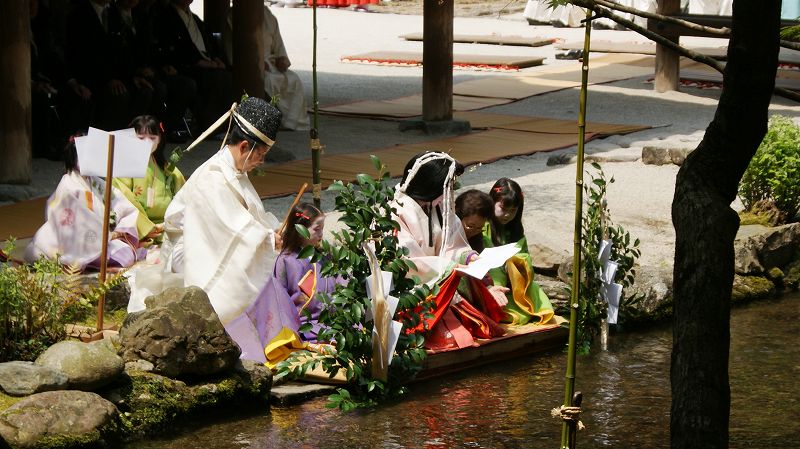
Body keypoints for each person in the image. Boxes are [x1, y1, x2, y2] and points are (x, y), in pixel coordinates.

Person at [160, 97, 282, 325]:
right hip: (190, 249)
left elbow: (248, 217)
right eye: (260, 155)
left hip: (213, 241)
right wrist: (267, 238)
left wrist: (272, 233)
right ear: (244, 147)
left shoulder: (235, 169)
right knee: (236, 275)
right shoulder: (212, 176)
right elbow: (228, 227)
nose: (261, 162)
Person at [392, 152, 508, 351]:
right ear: (431, 186)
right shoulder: (395, 212)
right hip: (411, 290)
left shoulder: (441, 208)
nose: (450, 190)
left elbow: (455, 246)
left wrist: (471, 258)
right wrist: (451, 266)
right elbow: (408, 261)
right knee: (455, 340)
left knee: (479, 330)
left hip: (439, 283)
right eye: (446, 185)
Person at [225, 203, 343, 364]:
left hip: (328, 322)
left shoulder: (325, 258)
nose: (321, 234)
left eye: (322, 228)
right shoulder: (285, 260)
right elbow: (279, 299)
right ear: (300, 229)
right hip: (302, 326)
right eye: (317, 229)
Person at [25, 135, 145, 270]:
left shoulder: (94, 181)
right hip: (75, 240)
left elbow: (117, 200)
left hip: (100, 236)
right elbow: (71, 217)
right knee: (118, 257)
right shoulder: (68, 183)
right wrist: (105, 232)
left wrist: (114, 221)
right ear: (73, 158)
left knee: (126, 254)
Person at [223, 5, 310, 130]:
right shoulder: (232, 16)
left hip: (272, 65)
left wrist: (282, 58)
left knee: (293, 79)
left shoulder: (269, 16)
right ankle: (270, 120)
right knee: (266, 81)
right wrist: (254, 63)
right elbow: (232, 49)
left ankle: (292, 122)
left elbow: (278, 45)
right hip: (252, 66)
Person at [483, 178, 555, 325]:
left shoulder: (515, 230)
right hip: (488, 281)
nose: (507, 215)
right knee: (496, 272)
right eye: (503, 208)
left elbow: (525, 256)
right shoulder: (483, 226)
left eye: (513, 210)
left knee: (533, 291)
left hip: (512, 283)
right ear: (492, 203)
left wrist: (515, 262)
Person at [113, 115, 186, 246]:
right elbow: (123, 198)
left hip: (166, 225)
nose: (147, 142)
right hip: (136, 225)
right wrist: (145, 226)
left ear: (160, 140)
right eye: (141, 138)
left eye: (152, 138)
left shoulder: (165, 167)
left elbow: (185, 194)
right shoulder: (123, 166)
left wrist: (171, 221)